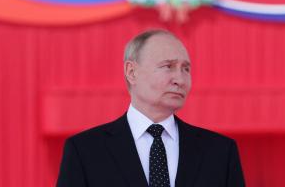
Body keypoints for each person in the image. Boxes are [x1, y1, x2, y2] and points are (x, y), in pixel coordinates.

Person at [56, 29, 245, 187]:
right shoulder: (86, 151)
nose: (179, 79)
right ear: (132, 72)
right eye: (168, 66)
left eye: (186, 69)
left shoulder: (220, 152)